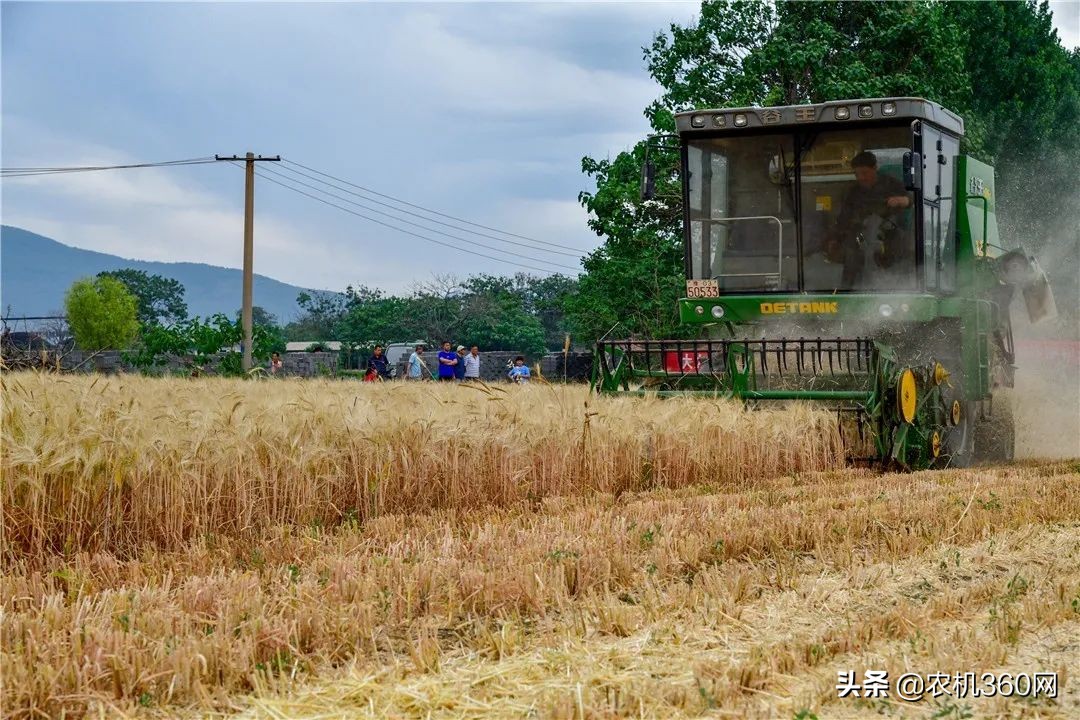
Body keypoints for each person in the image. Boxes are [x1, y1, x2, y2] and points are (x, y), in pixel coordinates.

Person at [827, 151, 912, 288]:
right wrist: (835, 239)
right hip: (860, 237)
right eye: (857, 174)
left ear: (874, 168)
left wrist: (902, 200)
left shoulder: (892, 184)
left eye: (864, 173)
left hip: (889, 235)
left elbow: (912, 200)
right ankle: (847, 292)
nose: (861, 178)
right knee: (851, 254)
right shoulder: (853, 192)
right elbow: (844, 219)